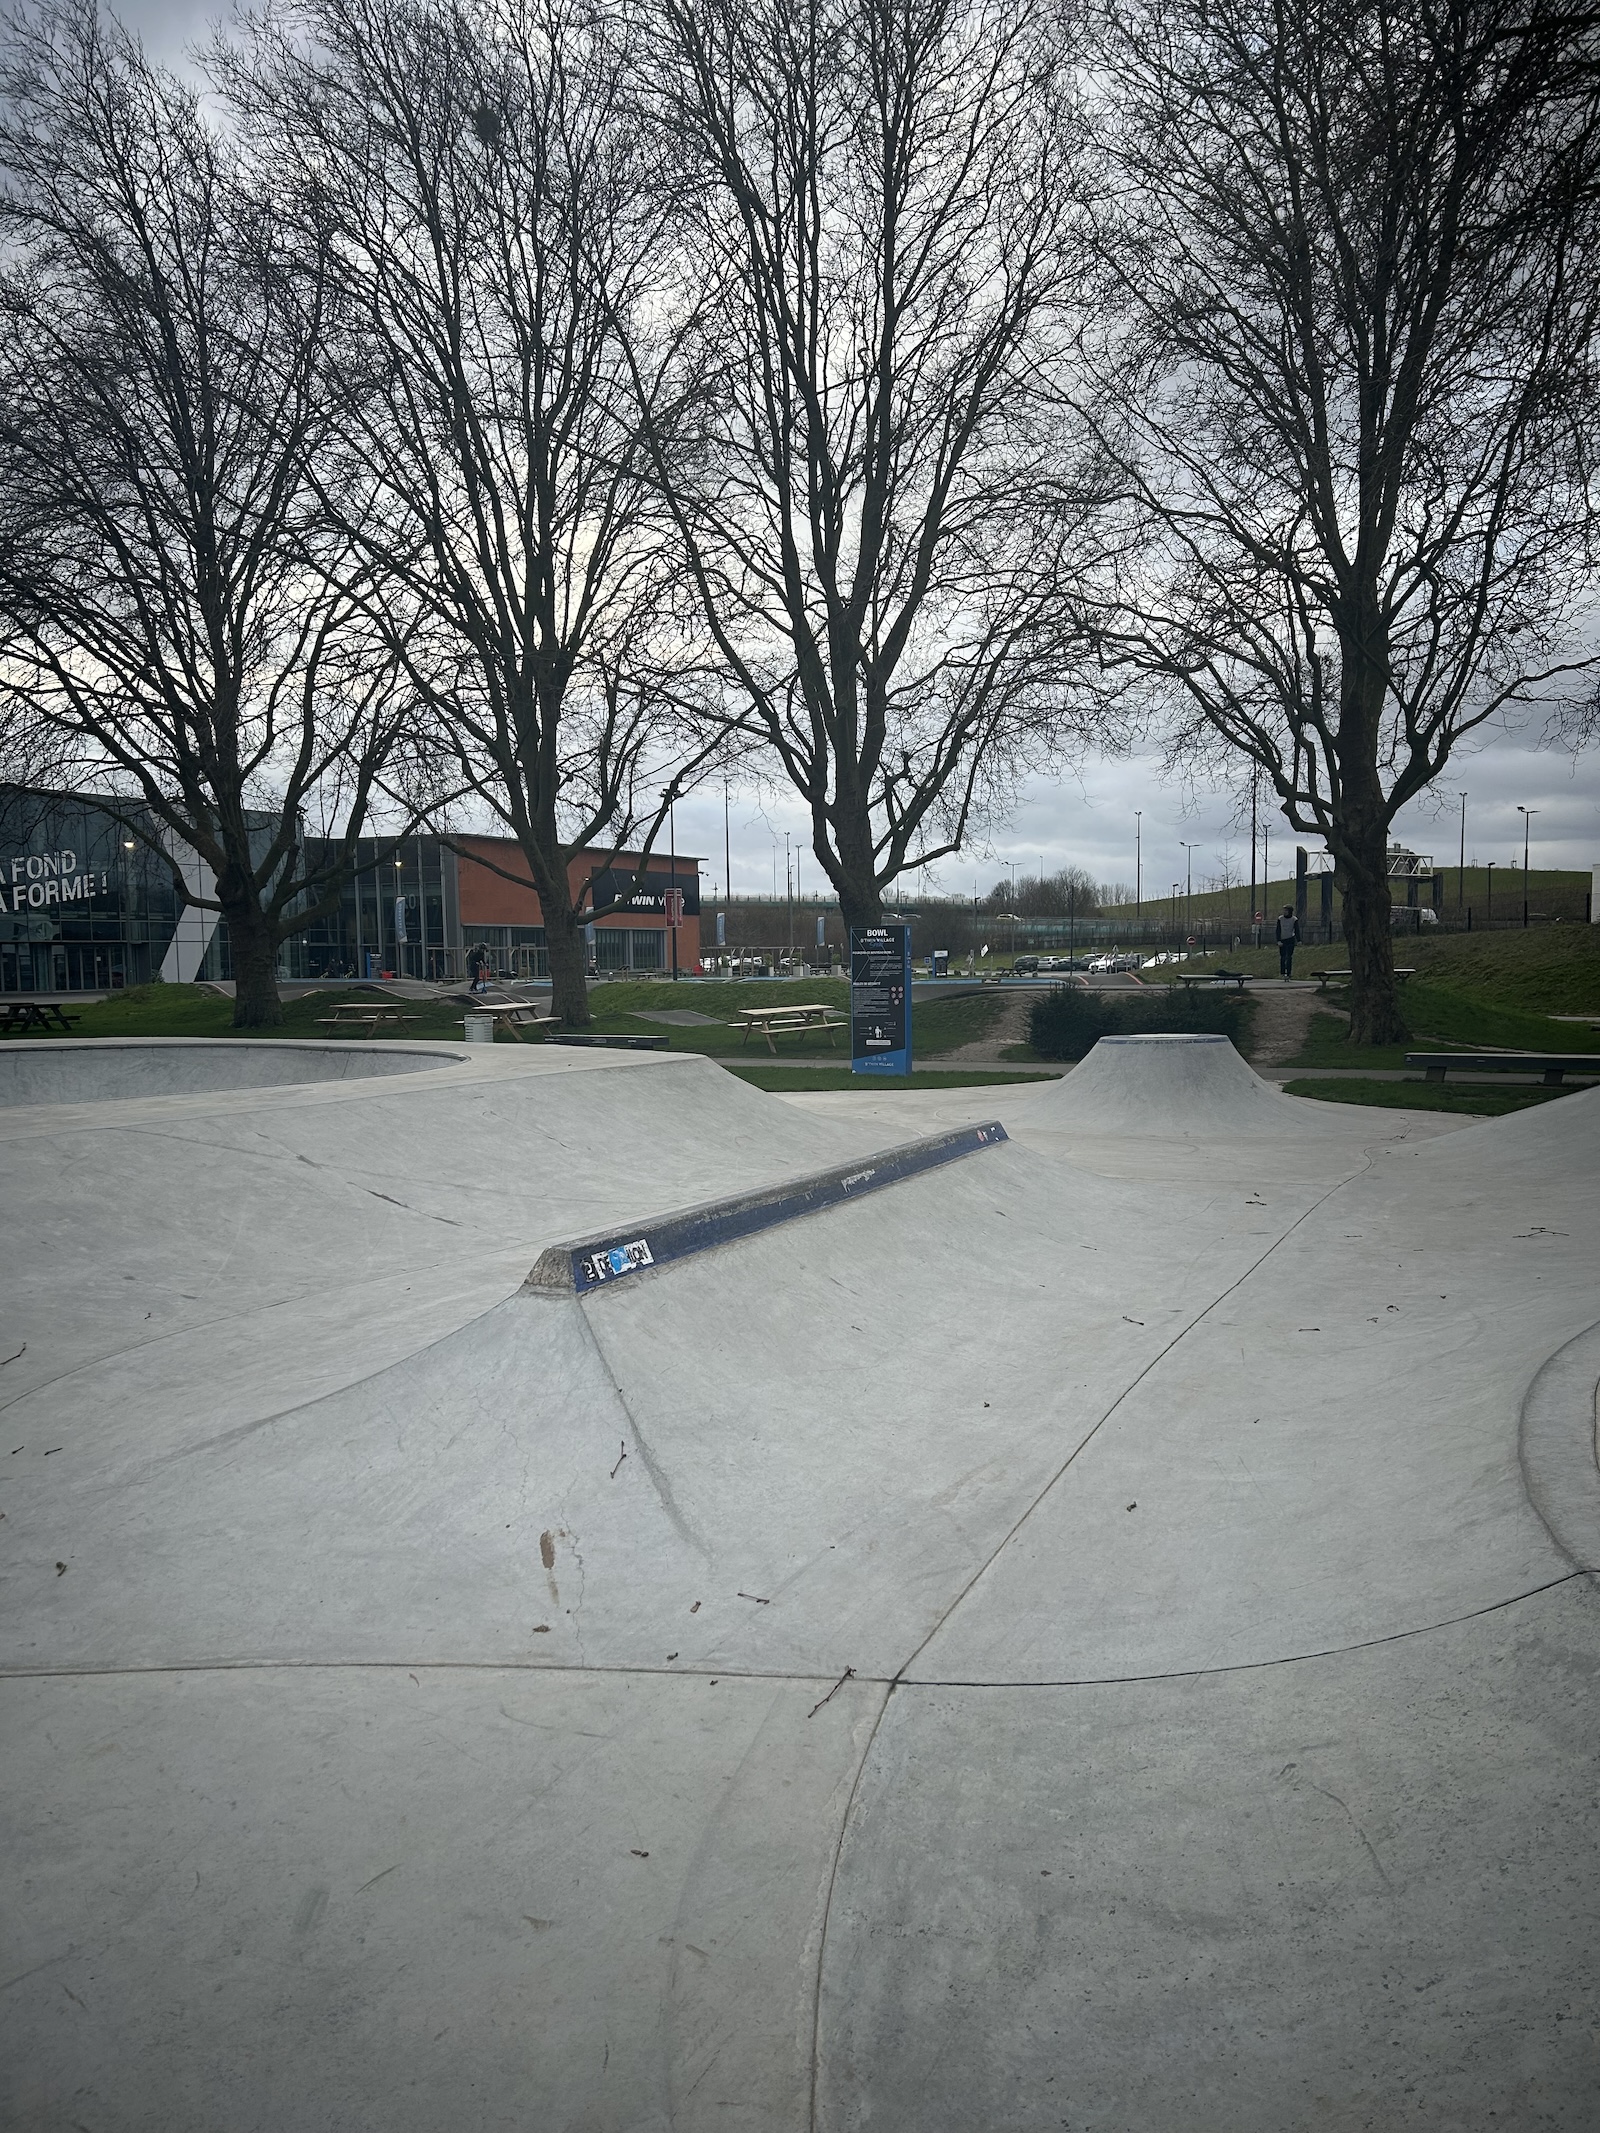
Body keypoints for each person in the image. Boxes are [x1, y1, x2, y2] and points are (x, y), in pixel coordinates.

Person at [1275, 903, 1299, 978]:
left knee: (1289, 957)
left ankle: (1288, 973)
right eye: (1284, 910)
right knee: (1283, 957)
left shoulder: (1294, 919)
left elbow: (1297, 930)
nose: (1284, 912)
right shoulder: (1280, 919)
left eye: (1286, 911)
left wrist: (1299, 940)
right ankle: (1282, 972)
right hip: (1282, 940)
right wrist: (1278, 940)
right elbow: (1278, 930)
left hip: (1290, 939)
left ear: (1290, 911)